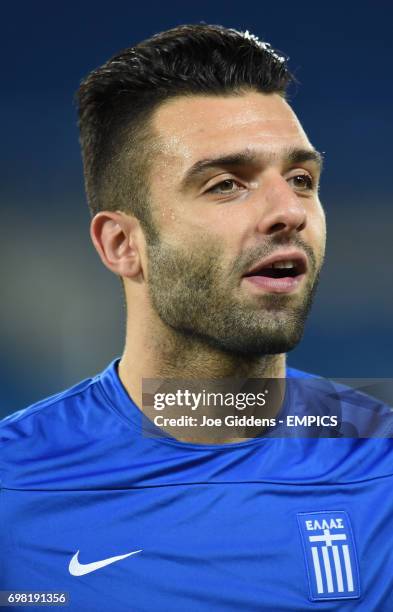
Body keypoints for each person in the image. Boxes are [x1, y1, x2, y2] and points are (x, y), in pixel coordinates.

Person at [1, 24, 392, 611]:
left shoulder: (382, 465)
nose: (288, 211)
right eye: (226, 184)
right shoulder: (14, 486)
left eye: (301, 179)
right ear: (122, 245)